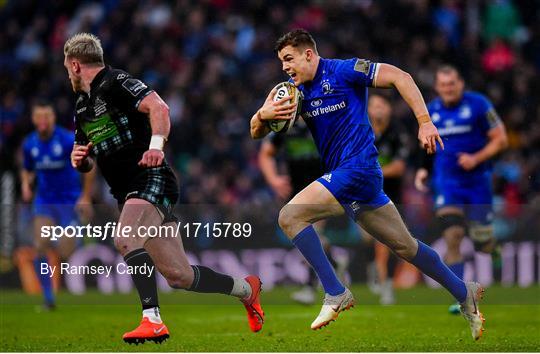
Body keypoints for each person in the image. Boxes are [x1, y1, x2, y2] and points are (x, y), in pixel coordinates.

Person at [249, 29, 484, 340]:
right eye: (281, 62)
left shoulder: (344, 70)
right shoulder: (294, 92)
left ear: (308, 54)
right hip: (352, 179)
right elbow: (256, 133)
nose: (284, 67)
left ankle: (334, 291)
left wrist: (425, 121)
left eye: (288, 59)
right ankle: (463, 291)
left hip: (359, 168)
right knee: (406, 246)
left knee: (290, 216)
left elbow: (401, 76)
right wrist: (262, 115)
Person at [64, 33, 264, 344]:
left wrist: (156, 145)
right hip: (127, 193)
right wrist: (82, 161)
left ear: (75, 65)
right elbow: (87, 159)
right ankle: (246, 290)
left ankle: (152, 320)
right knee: (179, 275)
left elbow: (160, 108)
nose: (67, 74)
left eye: (67, 68)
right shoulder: (81, 106)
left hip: (150, 179)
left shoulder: (115, 81)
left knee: (125, 237)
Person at [415, 65, 508, 314]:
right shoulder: (431, 110)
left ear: (461, 83)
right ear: (437, 87)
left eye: (452, 83)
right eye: (443, 84)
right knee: (452, 236)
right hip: (447, 183)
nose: (448, 88)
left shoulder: (479, 105)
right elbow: (427, 144)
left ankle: (493, 248)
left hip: (477, 182)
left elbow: (501, 139)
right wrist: (424, 169)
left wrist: (476, 158)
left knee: (482, 242)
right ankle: (462, 296)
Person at [258, 118, 346, 304]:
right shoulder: (285, 126)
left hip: (324, 186)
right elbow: (266, 153)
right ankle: (335, 263)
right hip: (297, 191)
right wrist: (273, 179)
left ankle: (309, 287)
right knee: (311, 237)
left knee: (312, 234)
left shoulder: (325, 121)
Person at [21, 101, 94, 309]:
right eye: (39, 117)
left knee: (65, 250)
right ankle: (48, 298)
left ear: (52, 119)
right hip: (44, 201)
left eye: (47, 117)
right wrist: (26, 184)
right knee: (40, 245)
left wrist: (86, 196)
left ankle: (66, 239)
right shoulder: (30, 144)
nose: (42, 121)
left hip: (69, 201)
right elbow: (27, 168)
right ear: (34, 120)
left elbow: (91, 166)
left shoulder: (67, 140)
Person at [365, 93, 411, 305]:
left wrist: (372, 170)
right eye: (374, 105)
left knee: (388, 243)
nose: (379, 109)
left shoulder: (398, 133)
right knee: (370, 241)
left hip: (391, 196)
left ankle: (387, 285)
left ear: (389, 109)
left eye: (382, 104)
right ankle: (375, 268)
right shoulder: (361, 132)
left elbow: (399, 167)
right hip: (364, 194)